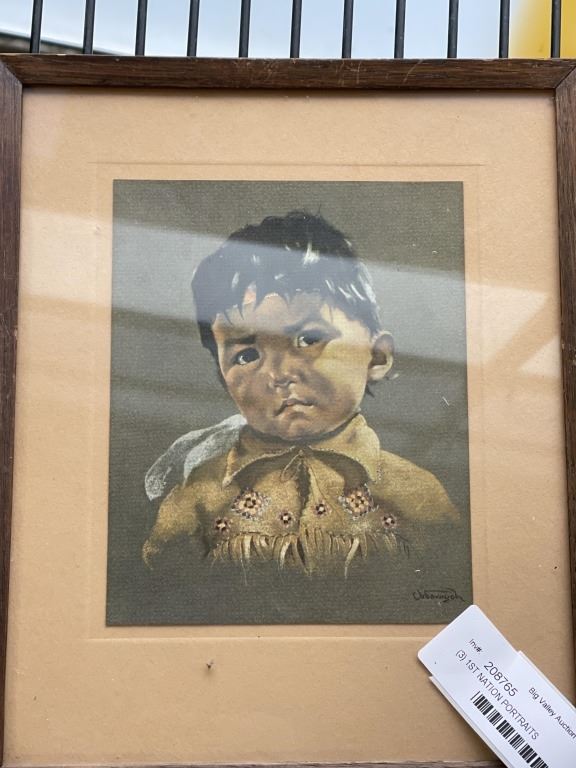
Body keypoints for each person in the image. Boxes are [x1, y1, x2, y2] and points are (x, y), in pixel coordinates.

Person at [142, 211, 458, 577]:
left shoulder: (415, 492)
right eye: (247, 356)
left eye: (308, 339)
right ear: (224, 380)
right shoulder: (199, 497)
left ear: (377, 356)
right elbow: (161, 587)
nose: (278, 374)